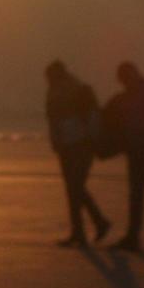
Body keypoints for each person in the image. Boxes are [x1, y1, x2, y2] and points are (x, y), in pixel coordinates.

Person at [43, 61, 109, 246]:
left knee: (74, 187)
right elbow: (53, 120)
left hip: (80, 145)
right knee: (74, 188)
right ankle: (91, 225)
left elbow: (92, 117)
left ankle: (87, 228)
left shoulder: (79, 90)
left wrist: (91, 140)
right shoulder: (58, 92)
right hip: (67, 146)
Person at [104, 62, 144, 251]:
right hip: (140, 152)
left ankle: (133, 237)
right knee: (140, 196)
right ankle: (132, 237)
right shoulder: (131, 96)